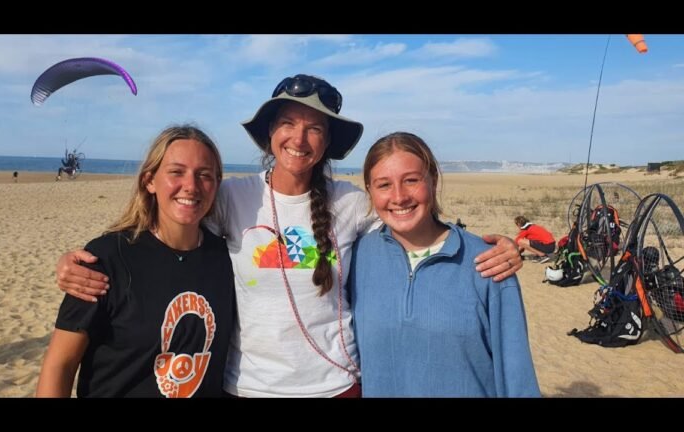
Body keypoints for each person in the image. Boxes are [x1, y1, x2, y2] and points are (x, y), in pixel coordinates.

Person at [54, 74, 523, 397]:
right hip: (248, 386)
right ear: (269, 133)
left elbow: (413, 222)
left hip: (338, 385)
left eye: (314, 128)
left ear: (327, 142)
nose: (299, 138)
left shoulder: (350, 203)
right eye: (288, 123)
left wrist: (489, 244)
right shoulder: (231, 197)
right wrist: (82, 260)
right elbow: (169, 224)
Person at [36, 125, 235, 397]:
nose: (191, 185)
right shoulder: (106, 258)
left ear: (216, 185)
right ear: (149, 181)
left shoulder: (228, 259)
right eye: (176, 172)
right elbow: (59, 365)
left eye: (204, 175)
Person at [350, 132, 540, 397]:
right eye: (383, 185)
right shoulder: (357, 257)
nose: (399, 196)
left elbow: (516, 374)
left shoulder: (489, 263)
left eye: (411, 180)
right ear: (369, 191)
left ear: (433, 180)